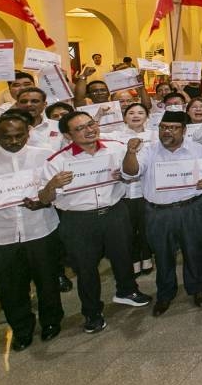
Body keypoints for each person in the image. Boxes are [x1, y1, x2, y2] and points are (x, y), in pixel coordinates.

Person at [39, 111, 152, 333]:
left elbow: (132, 174)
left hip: (115, 211)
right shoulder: (57, 160)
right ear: (68, 135)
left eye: (91, 124)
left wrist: (126, 167)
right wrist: (52, 184)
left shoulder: (115, 147)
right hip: (79, 219)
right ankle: (92, 312)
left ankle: (127, 291)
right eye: (80, 128)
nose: (89, 130)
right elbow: (44, 198)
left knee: (122, 255)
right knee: (86, 267)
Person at [0, 113, 64, 349]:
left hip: (40, 229)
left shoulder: (45, 156)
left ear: (28, 133)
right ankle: (21, 329)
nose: (14, 141)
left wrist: (45, 200)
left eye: (19, 136)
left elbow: (59, 190)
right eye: (7, 137)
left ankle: (51, 321)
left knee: (47, 280)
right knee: (9, 286)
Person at [121, 110, 202, 316]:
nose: (167, 132)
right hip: (158, 213)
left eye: (173, 128)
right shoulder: (147, 151)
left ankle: (197, 288)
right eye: (163, 127)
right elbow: (130, 173)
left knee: (194, 251)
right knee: (163, 255)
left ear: (183, 130)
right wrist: (130, 153)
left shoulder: (199, 150)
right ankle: (165, 294)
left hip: (191, 209)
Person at [115, 102, 156, 278]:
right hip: (124, 191)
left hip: (146, 190)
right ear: (124, 117)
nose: (136, 115)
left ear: (147, 117)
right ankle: (133, 260)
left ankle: (147, 257)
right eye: (131, 113)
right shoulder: (115, 137)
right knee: (128, 230)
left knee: (145, 227)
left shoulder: (154, 136)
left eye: (141, 112)